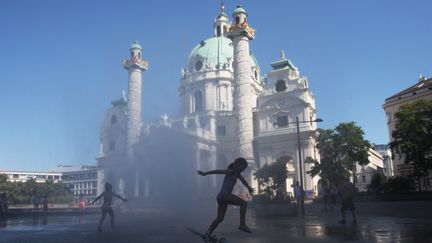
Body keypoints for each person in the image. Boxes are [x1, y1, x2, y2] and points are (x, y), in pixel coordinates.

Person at [197, 157, 255, 241]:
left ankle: (207, 234)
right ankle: (242, 224)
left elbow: (243, 181)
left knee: (220, 218)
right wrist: (205, 173)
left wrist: (249, 188)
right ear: (238, 165)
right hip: (225, 195)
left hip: (221, 197)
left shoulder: (236, 174)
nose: (243, 170)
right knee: (244, 203)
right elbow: (218, 171)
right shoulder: (231, 171)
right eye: (243, 168)